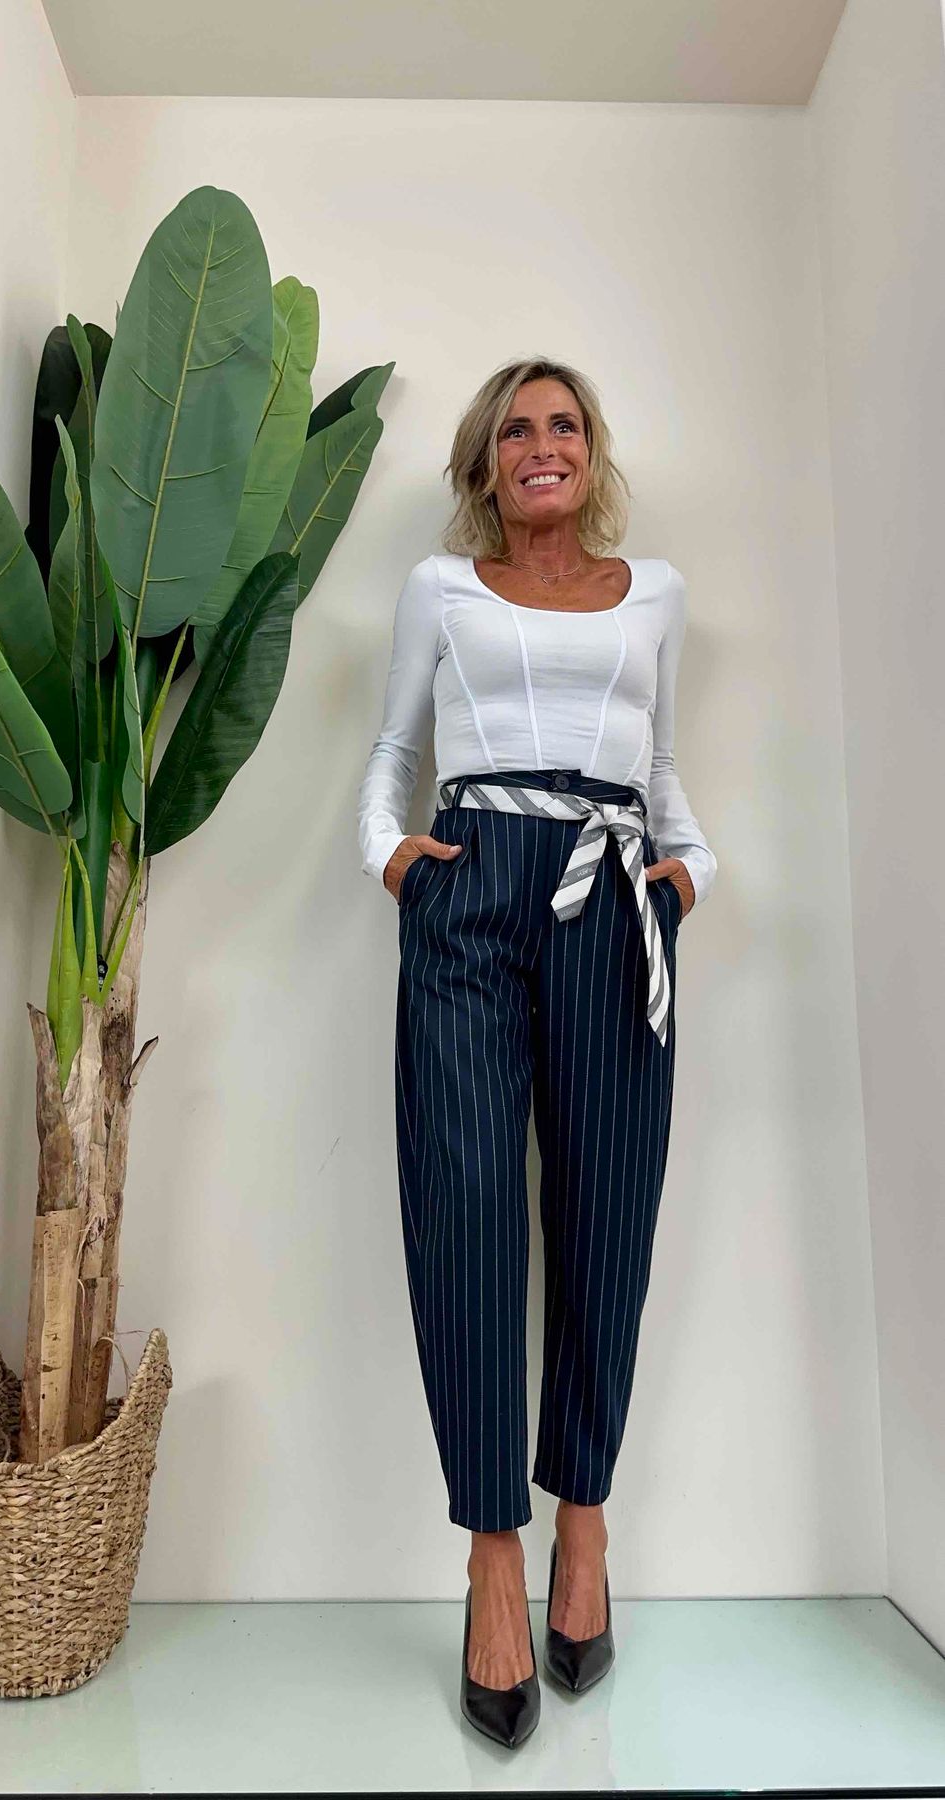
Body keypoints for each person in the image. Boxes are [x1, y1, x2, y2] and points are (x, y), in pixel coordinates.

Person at [357, 357, 717, 1749]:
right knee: (463, 1211)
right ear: (485, 465)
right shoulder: (441, 590)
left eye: (563, 424)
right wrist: (396, 862)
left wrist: (687, 875)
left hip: (614, 896)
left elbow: (661, 766)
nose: (540, 444)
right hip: (472, 890)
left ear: (591, 453)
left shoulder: (656, 592)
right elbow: (391, 753)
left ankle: (583, 1530)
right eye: (515, 428)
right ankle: (492, 1560)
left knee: (604, 1211)